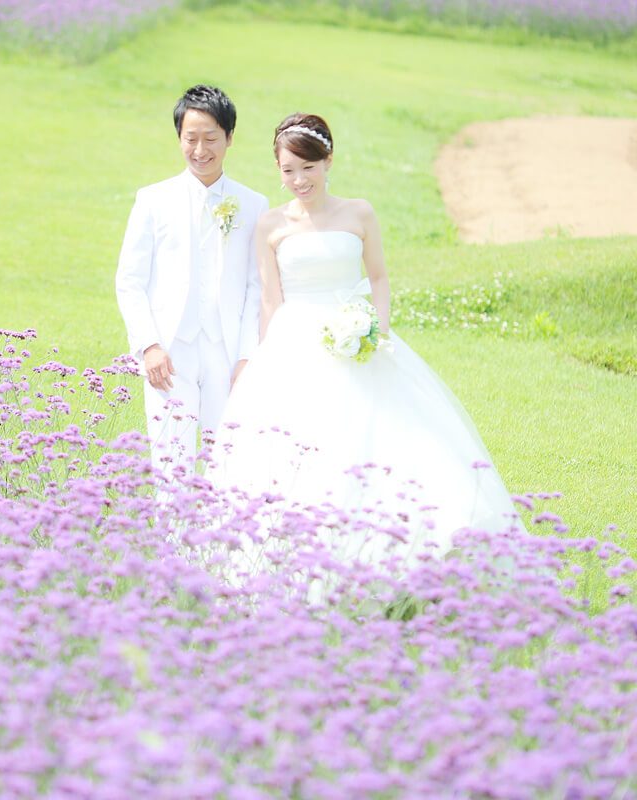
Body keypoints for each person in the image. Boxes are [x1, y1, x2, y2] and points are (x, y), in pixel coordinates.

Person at [208, 113, 520, 568]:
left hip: (356, 337)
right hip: (294, 343)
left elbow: (378, 277)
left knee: (386, 436)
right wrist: (261, 358)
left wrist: (376, 328)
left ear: (328, 161)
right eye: (288, 169)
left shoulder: (359, 212)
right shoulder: (270, 225)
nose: (298, 179)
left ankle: (403, 551)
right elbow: (271, 302)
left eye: (308, 167)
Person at [115, 85, 269, 476]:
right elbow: (130, 280)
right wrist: (149, 345)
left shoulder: (253, 205)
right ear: (179, 138)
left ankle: (222, 538)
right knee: (171, 462)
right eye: (191, 139)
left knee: (229, 462)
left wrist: (247, 355)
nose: (200, 150)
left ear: (230, 138)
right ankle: (171, 537)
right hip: (169, 351)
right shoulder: (152, 200)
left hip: (227, 349)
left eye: (211, 139)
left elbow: (256, 288)